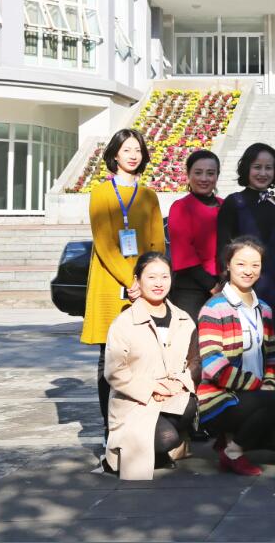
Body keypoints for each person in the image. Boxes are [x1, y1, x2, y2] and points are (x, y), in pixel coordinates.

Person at [81, 128, 166, 436]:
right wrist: (133, 279)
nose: (133, 155)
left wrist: (149, 280)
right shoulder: (101, 193)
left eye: (137, 150)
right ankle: (111, 430)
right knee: (111, 357)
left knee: (143, 356)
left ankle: (141, 426)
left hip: (145, 287)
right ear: (115, 154)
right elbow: (104, 243)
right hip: (110, 284)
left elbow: (157, 243)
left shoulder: (148, 196)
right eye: (127, 149)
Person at [197, 237, 275, 476]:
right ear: (227, 265)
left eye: (255, 265)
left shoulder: (265, 309)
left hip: (258, 395)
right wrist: (256, 385)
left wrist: (269, 385)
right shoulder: (214, 308)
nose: (248, 270)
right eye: (241, 264)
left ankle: (229, 441)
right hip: (221, 397)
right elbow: (213, 364)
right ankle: (234, 452)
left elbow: (273, 355)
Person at [103, 252, 199, 480]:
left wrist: (179, 384)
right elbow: (115, 371)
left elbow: (195, 361)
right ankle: (122, 453)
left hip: (171, 397)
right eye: (151, 277)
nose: (159, 283)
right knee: (167, 438)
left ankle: (158, 447)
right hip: (135, 403)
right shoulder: (124, 323)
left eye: (164, 277)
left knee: (193, 405)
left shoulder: (184, 319)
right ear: (137, 280)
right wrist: (153, 387)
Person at [216, 143, 275, 340]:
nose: (263, 173)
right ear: (247, 168)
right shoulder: (235, 202)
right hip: (244, 283)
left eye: (269, 168)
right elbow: (223, 246)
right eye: (257, 167)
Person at [167, 149, 223, 321]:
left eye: (210, 173)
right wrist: (212, 286)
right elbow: (184, 253)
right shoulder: (181, 207)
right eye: (198, 173)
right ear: (188, 175)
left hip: (224, 285)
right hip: (191, 288)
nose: (204, 178)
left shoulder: (226, 206)